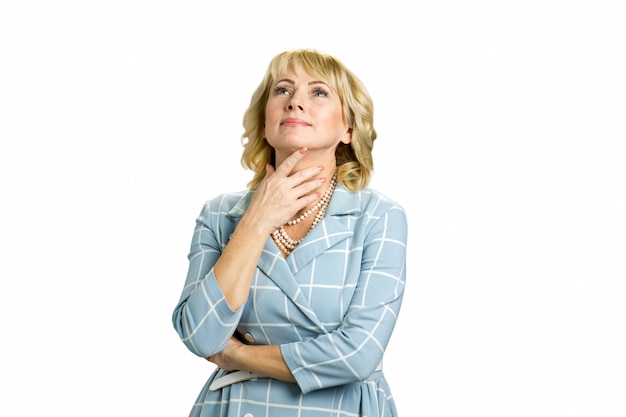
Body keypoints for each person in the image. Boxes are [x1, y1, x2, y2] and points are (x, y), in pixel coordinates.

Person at [172, 48, 408, 417]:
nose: (296, 102)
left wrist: (240, 355)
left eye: (319, 92)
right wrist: (256, 221)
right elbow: (200, 335)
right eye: (282, 90)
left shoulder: (378, 217)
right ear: (264, 121)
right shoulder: (220, 215)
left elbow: (357, 355)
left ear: (348, 128)